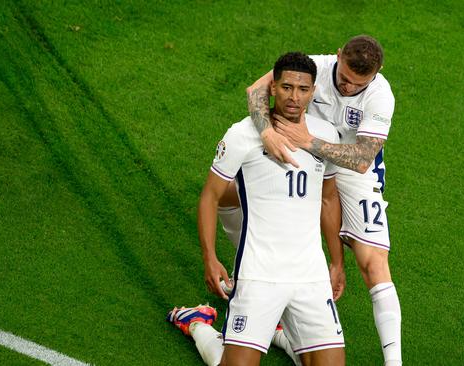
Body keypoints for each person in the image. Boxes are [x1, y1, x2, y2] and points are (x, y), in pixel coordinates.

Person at [169, 52, 345, 366]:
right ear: (273, 88)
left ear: (313, 92)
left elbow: (329, 199)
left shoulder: (326, 136)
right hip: (258, 274)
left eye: (303, 89)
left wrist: (336, 261)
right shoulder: (243, 134)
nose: (294, 97)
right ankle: (198, 324)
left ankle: (276, 330)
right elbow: (210, 196)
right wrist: (209, 257)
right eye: (287, 87)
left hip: (310, 276)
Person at [246, 35, 402, 366]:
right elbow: (256, 91)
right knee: (241, 197)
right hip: (298, 152)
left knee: (374, 262)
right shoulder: (316, 67)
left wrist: (309, 141)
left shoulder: (380, 96)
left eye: (357, 84)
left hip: (348, 168)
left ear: (377, 73)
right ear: (338, 56)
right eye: (344, 78)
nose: (346, 88)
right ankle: (250, 285)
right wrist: (266, 132)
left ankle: (394, 362)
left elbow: (361, 159)